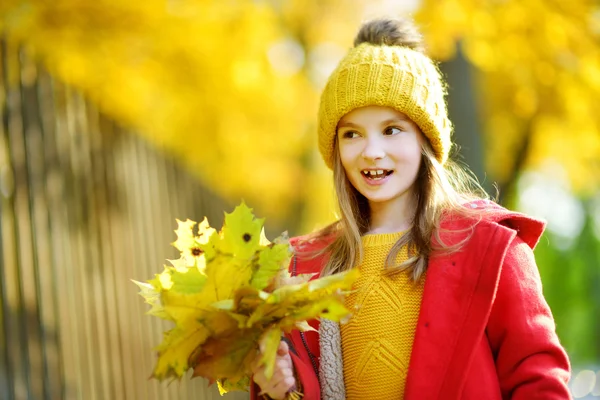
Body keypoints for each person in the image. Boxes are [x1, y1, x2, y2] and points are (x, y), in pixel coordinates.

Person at [250, 17, 571, 400]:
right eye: (352, 133)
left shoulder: (490, 248)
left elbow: (538, 382)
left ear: (425, 139)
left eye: (391, 129)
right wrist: (278, 389)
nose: (372, 151)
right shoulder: (301, 269)